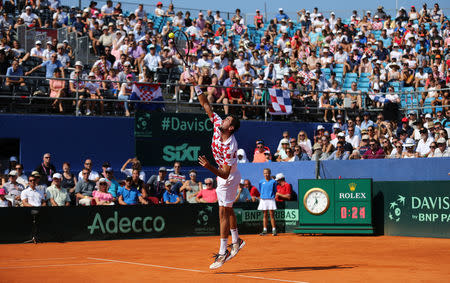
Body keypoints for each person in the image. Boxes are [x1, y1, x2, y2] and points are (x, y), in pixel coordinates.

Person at [196, 86, 245, 269]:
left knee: (223, 212)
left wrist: (209, 167)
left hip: (229, 177)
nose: (223, 119)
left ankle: (223, 252)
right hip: (223, 175)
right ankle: (236, 241)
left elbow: (224, 173)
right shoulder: (217, 125)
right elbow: (206, 105)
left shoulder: (231, 146)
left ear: (230, 128)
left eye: (227, 120)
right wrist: (196, 85)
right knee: (228, 210)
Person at [258, 168, 277, 236]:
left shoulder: (273, 182)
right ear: (263, 174)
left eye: (267, 173)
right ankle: (265, 230)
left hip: (271, 199)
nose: (266, 174)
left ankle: (274, 230)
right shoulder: (261, 182)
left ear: (270, 173)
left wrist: (271, 195)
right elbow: (260, 190)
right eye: (265, 173)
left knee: (272, 214)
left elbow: (275, 190)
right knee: (265, 214)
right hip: (263, 199)